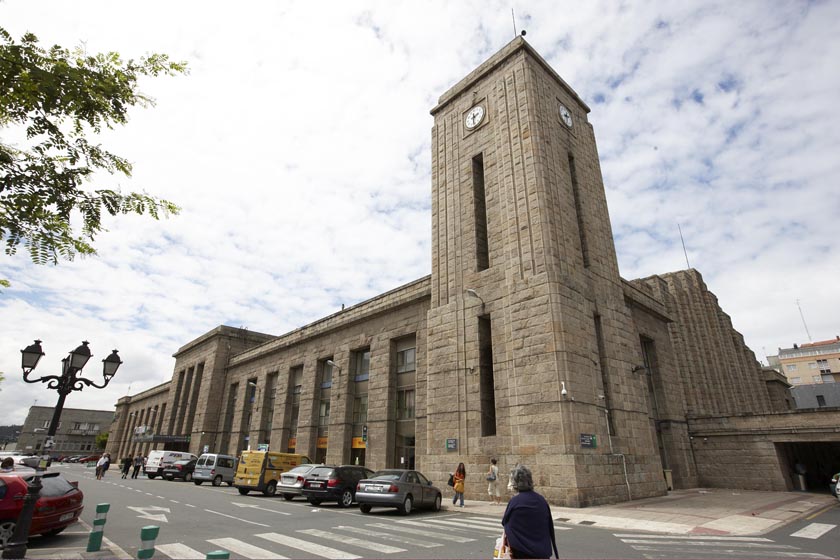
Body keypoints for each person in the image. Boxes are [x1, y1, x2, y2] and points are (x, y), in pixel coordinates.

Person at [502, 465, 558, 559]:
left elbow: (506, 523)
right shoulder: (541, 500)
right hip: (542, 552)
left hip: (522, 552)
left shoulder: (515, 501)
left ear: (515, 482)